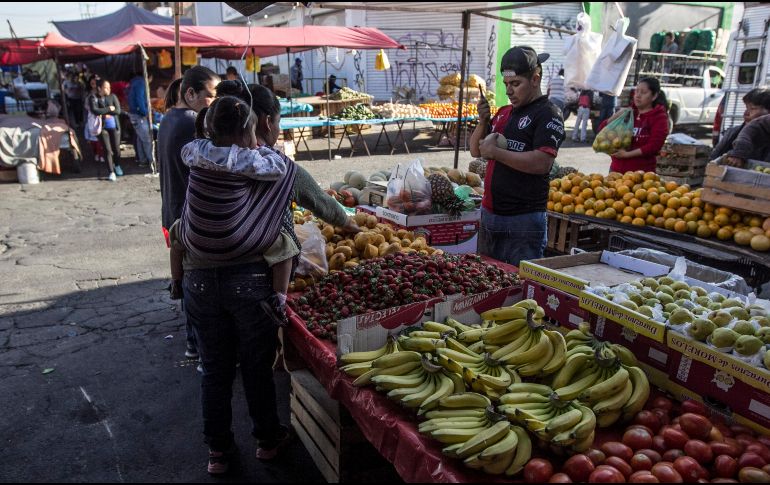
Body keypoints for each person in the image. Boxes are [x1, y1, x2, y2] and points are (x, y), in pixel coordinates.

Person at [177, 81, 360, 474]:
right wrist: (353, 226)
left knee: (215, 369)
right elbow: (323, 205)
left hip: (198, 280)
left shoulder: (199, 157)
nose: (277, 129)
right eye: (276, 121)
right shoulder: (270, 166)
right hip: (249, 280)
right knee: (256, 365)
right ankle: (267, 440)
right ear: (260, 123)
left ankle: (219, 453)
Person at [470, 46, 565, 267]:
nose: (509, 91)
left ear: (535, 79)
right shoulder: (504, 112)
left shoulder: (548, 113)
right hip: (490, 214)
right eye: (506, 85)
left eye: (516, 84)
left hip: (523, 221)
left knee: (520, 286)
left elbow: (542, 163)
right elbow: (476, 150)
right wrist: (483, 121)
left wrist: (497, 153)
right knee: (487, 280)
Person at [158, 66, 220, 361]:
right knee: (193, 280)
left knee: (185, 276)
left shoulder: (168, 119)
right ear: (191, 93)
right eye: (210, 95)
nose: (213, 101)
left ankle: (193, 341)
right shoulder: (188, 122)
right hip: (186, 214)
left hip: (171, 209)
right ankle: (196, 344)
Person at [600, 77, 670, 173]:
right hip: (615, 171)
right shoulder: (628, 113)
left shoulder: (659, 118)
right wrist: (616, 115)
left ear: (654, 96)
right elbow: (601, 131)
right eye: (636, 91)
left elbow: (654, 146)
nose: (638, 95)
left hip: (641, 175)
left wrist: (627, 155)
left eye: (643, 92)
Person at [711, 88, 770, 160]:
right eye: (746, 108)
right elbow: (713, 158)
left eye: (753, 108)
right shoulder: (732, 133)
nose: (746, 113)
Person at [88, 79, 123, 181]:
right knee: (107, 150)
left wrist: (103, 112)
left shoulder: (113, 97)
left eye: (109, 87)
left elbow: (118, 111)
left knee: (116, 149)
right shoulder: (93, 98)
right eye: (106, 87)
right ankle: (111, 172)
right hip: (101, 127)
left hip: (114, 126)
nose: (108, 89)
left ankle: (117, 165)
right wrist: (109, 109)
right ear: (99, 88)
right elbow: (95, 111)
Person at [128, 72, 154, 168]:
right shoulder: (141, 83)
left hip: (134, 113)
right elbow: (139, 100)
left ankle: (142, 160)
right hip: (139, 115)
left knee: (140, 138)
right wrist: (145, 112)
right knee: (146, 139)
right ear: (149, 76)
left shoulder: (135, 82)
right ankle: (151, 161)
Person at [83, 74, 105, 164]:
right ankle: (96, 153)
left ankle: (101, 154)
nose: (94, 82)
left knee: (101, 137)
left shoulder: (102, 92)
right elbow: (85, 105)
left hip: (102, 116)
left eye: (95, 81)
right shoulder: (88, 93)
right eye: (92, 81)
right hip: (91, 116)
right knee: (93, 137)